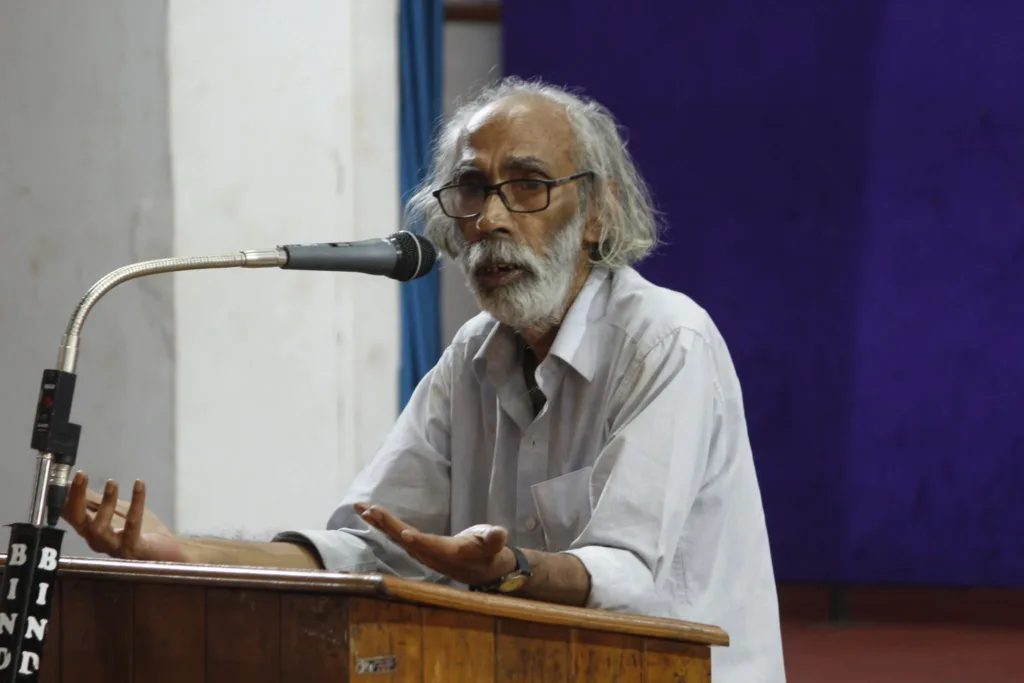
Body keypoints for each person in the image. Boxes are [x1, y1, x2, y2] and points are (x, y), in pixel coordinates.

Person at [62, 77, 786, 682]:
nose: (491, 217)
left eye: (528, 186)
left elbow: (625, 573)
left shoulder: (666, 341)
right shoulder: (472, 358)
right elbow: (368, 549)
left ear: (598, 213)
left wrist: (508, 568)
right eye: (471, 189)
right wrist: (187, 553)